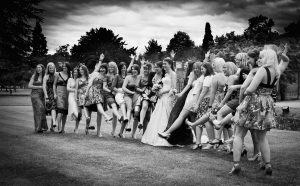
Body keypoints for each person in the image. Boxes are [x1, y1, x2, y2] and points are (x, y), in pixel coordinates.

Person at [229, 48, 289, 176]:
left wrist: (244, 94)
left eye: (261, 57)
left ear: (267, 58)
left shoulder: (262, 70)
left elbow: (250, 89)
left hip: (254, 102)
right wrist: (282, 53)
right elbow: (285, 61)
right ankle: (268, 164)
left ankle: (236, 164)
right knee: (262, 137)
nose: (259, 59)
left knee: (239, 134)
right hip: (267, 103)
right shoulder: (276, 71)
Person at [185, 58, 226, 149]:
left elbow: (204, 91)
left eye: (203, 69)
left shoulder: (208, 78)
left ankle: (209, 142)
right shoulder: (211, 76)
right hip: (210, 100)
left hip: (206, 101)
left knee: (205, 121)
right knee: (205, 121)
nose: (201, 70)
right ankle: (204, 142)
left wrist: (197, 103)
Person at [163, 61, 201, 147]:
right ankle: (195, 139)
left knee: (180, 116)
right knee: (189, 118)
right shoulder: (190, 73)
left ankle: (169, 133)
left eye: (187, 65)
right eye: (185, 65)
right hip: (187, 96)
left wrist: (181, 94)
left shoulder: (192, 73)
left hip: (188, 97)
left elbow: (188, 85)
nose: (185, 67)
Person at [141, 57, 177, 146]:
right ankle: (155, 137)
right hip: (161, 97)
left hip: (168, 97)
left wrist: (163, 91)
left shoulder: (173, 74)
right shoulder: (166, 75)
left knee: (166, 115)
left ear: (170, 64)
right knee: (158, 115)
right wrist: (157, 89)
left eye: (165, 64)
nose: (164, 65)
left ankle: (168, 136)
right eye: (163, 64)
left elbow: (173, 88)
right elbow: (162, 85)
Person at [84, 63, 113, 136]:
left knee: (99, 113)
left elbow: (105, 87)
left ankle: (98, 131)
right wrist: (86, 93)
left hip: (101, 94)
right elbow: (90, 84)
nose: (102, 69)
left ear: (106, 69)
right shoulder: (95, 74)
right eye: (101, 68)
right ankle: (87, 128)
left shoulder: (106, 77)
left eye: (104, 68)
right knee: (89, 112)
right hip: (92, 92)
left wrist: (110, 91)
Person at [104, 61, 124, 137]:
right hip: (109, 94)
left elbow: (125, 70)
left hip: (116, 95)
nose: (110, 68)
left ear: (115, 68)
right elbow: (105, 86)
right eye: (109, 67)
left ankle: (113, 131)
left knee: (114, 114)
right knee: (114, 107)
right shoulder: (106, 76)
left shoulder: (117, 75)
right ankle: (119, 118)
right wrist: (111, 91)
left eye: (112, 67)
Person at [122, 64, 141, 138]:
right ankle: (125, 129)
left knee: (136, 116)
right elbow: (123, 87)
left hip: (136, 97)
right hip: (128, 96)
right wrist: (131, 92)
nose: (133, 71)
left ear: (138, 70)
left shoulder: (139, 77)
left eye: (135, 69)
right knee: (128, 110)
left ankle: (133, 133)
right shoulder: (128, 77)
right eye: (132, 69)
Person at [28, 64, 48, 133]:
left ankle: (41, 127)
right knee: (40, 108)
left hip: (41, 95)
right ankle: (38, 128)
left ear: (42, 68)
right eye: (37, 68)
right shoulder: (34, 76)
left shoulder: (45, 76)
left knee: (41, 110)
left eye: (39, 67)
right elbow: (29, 86)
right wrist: (39, 87)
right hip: (34, 94)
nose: (38, 69)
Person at [112, 62, 129, 137]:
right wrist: (119, 90)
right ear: (119, 69)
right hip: (119, 93)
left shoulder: (128, 76)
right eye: (122, 68)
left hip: (126, 94)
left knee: (128, 109)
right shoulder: (117, 76)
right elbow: (112, 87)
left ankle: (121, 132)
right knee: (122, 103)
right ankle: (124, 117)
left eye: (124, 68)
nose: (123, 69)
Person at [54, 62, 71, 133]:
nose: (64, 68)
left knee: (65, 112)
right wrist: (55, 93)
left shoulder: (70, 75)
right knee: (60, 111)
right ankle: (59, 127)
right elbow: (54, 85)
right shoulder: (58, 74)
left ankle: (63, 128)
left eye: (65, 67)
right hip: (59, 93)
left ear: (68, 68)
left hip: (67, 95)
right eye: (63, 66)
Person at [75, 65, 89, 134]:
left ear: (85, 70)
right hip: (80, 96)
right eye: (80, 69)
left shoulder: (88, 78)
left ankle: (86, 128)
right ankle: (76, 128)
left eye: (82, 69)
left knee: (87, 110)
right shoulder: (78, 79)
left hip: (87, 96)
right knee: (79, 113)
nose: (81, 71)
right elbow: (76, 89)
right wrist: (75, 97)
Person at [43, 62, 57, 132]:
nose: (51, 69)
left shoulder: (56, 75)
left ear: (54, 68)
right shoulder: (46, 76)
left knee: (55, 110)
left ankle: (52, 127)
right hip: (49, 94)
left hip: (56, 93)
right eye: (50, 68)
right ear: (48, 69)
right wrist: (46, 96)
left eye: (52, 68)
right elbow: (44, 87)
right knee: (53, 108)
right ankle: (54, 123)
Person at [67, 67, 80, 133]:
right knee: (74, 109)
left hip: (78, 97)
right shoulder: (70, 79)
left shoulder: (79, 79)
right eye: (74, 72)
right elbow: (68, 88)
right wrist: (75, 90)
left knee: (77, 110)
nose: (75, 73)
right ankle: (77, 116)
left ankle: (76, 128)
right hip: (71, 96)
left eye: (76, 72)